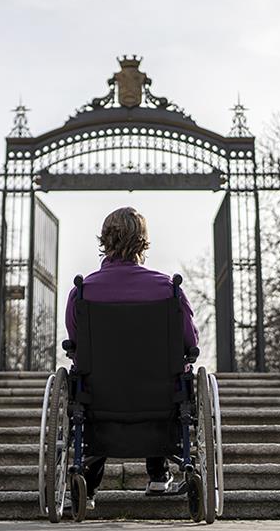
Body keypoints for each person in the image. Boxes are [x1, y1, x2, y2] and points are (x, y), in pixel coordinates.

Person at [64, 207, 200, 511]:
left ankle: (90, 479)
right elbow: (190, 343)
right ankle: (158, 472)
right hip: (158, 400)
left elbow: (75, 345)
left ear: (104, 240)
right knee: (168, 373)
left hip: (101, 399)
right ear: (144, 242)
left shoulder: (83, 291)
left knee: (92, 378)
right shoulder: (169, 289)